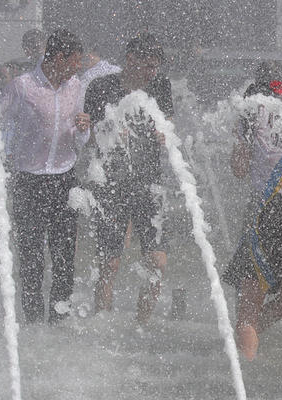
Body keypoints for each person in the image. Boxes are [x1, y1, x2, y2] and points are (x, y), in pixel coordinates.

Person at [222, 61, 282, 361]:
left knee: (248, 307)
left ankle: (243, 381)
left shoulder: (249, 108)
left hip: (262, 211)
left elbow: (238, 168)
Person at [84, 32, 173, 324]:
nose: (152, 72)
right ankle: (102, 324)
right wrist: (108, 132)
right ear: (130, 60)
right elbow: (89, 138)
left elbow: (167, 126)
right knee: (110, 261)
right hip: (112, 184)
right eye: (147, 65)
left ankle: (142, 325)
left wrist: (164, 134)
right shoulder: (101, 87)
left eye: (156, 66)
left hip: (149, 183)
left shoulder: (160, 86)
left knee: (157, 261)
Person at [2, 29, 90, 324]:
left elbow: (80, 136)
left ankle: (58, 322)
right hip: (29, 181)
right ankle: (32, 323)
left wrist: (83, 127)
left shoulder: (75, 86)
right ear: (59, 58)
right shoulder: (23, 86)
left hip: (65, 180)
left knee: (65, 258)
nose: (79, 67)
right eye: (75, 61)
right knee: (31, 259)